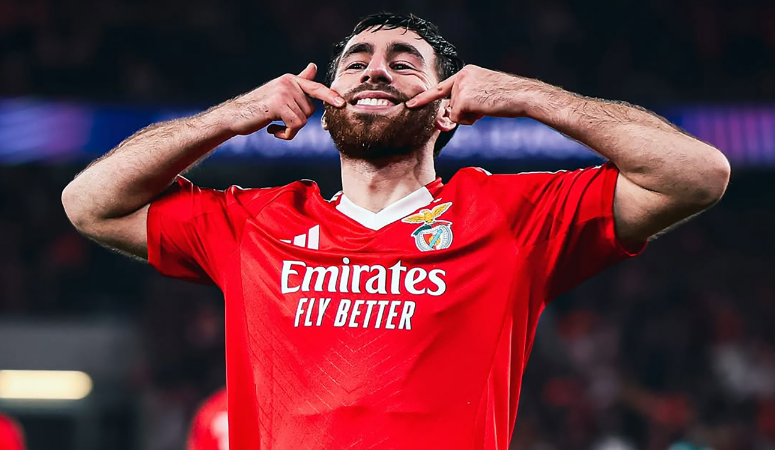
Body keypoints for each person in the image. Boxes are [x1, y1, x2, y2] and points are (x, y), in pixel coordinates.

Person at [61, 12, 730, 450]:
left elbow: (695, 174)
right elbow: (90, 203)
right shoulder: (255, 223)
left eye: (403, 61)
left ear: (446, 109)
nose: (374, 69)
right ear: (326, 101)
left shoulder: (509, 216)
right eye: (355, 61)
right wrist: (230, 116)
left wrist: (531, 97)